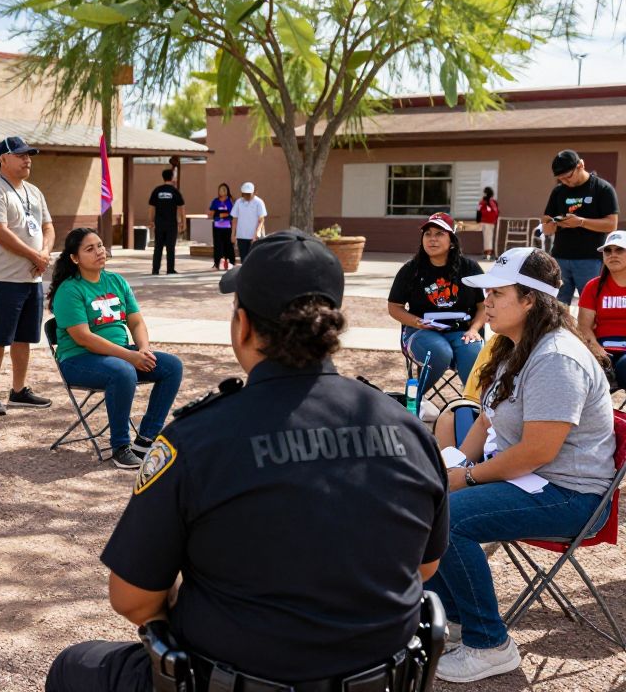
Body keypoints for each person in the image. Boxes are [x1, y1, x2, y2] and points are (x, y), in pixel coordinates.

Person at [46, 231, 449, 692]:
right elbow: (423, 568)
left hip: (226, 678)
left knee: (73, 667)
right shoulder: (409, 430)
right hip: (379, 677)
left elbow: (134, 599)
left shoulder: (196, 440)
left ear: (242, 326)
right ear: (334, 325)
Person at [429, 247, 615, 683]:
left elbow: (537, 453)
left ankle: (490, 645)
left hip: (571, 495)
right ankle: (454, 620)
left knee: (450, 518)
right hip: (531, 481)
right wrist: (451, 468)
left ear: (531, 299)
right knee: (427, 498)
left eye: (497, 292)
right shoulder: (516, 347)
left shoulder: (555, 358)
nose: (486, 302)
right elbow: (485, 418)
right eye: (487, 293)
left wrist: (466, 478)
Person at [47, 227, 183, 469]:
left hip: (120, 355)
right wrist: (129, 356)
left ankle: (146, 440)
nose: (99, 251)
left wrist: (142, 350)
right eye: (90, 249)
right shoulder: (69, 290)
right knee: (123, 371)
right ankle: (121, 446)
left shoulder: (116, 281)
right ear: (75, 258)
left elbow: (136, 321)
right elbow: (84, 338)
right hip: (79, 360)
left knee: (172, 366)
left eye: (100, 245)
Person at [0, 136, 54, 416]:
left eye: (29, 155)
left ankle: (19, 390)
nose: (27, 159)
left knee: (24, 338)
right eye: (20, 155)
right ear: (3, 159)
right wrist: (35, 257)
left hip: (31, 279)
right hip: (2, 279)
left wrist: (43, 253)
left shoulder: (34, 191)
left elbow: (48, 227)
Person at [388, 212, 486, 393]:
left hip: (462, 331)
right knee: (440, 352)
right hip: (420, 332)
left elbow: (483, 306)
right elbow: (394, 308)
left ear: (452, 241)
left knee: (473, 352)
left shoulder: (469, 268)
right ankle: (416, 400)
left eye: (439, 234)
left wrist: (474, 330)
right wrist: (418, 322)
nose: (432, 239)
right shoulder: (411, 270)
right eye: (428, 234)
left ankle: (473, 408)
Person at [541, 149, 618, 304]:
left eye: (568, 177)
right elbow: (546, 228)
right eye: (560, 179)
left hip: (590, 259)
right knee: (557, 307)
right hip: (560, 257)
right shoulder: (558, 192)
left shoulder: (602, 189)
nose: (565, 182)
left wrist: (581, 222)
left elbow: (611, 224)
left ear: (581, 165)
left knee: (591, 305)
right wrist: (551, 223)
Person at [578, 230, 626, 390]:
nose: (613, 254)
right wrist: (598, 351)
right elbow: (584, 327)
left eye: (619, 250)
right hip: (602, 349)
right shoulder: (593, 286)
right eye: (608, 250)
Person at [148, 168, 185, 275]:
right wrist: (183, 222)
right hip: (171, 224)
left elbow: (151, 207)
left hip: (159, 224)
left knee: (158, 247)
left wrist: (151, 220)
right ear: (172, 177)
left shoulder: (157, 190)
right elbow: (182, 207)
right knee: (170, 247)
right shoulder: (175, 191)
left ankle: (155, 270)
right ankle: (170, 269)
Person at [229, 181, 267, 261]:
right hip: (241, 236)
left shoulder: (259, 202)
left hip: (254, 237)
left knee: (254, 259)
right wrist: (233, 234)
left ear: (253, 192)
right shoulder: (239, 202)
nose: (246, 196)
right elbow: (235, 219)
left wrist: (258, 232)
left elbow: (261, 219)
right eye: (244, 194)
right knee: (244, 259)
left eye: (248, 194)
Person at [207, 182, 235, 270]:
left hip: (227, 227)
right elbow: (211, 214)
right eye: (220, 189)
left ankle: (230, 262)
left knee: (228, 245)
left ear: (227, 191)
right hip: (217, 227)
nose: (222, 191)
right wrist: (219, 215)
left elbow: (232, 214)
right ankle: (217, 263)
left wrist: (221, 215)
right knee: (218, 245)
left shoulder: (230, 201)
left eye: (224, 189)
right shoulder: (215, 201)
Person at [477, 186, 500, 261]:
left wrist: (478, 220)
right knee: (488, 238)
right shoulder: (493, 202)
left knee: (487, 238)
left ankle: (488, 255)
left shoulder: (483, 202)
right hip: (491, 222)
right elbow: (497, 212)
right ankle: (488, 254)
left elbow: (479, 210)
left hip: (485, 222)